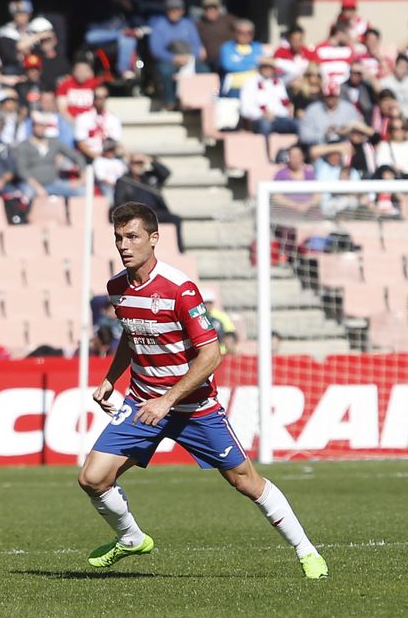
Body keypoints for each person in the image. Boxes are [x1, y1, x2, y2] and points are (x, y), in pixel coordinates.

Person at [77, 201, 327, 579]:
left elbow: (211, 355)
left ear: (154, 239)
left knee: (245, 481)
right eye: (118, 238)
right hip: (143, 401)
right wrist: (112, 378)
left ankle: (307, 551)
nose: (124, 246)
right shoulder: (117, 288)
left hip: (193, 407)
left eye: (133, 237)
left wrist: (168, 400)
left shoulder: (180, 289)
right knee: (92, 478)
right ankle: (131, 538)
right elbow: (132, 336)